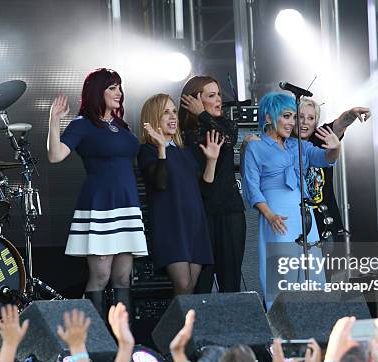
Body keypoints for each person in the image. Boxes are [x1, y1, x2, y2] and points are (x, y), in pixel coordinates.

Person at [47, 68, 147, 317]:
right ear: (97, 92)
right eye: (112, 88)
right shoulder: (83, 124)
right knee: (101, 275)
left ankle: (124, 343)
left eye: (119, 87)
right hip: (100, 206)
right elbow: (56, 155)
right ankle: (95, 344)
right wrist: (54, 120)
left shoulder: (122, 126)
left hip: (127, 204)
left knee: (124, 278)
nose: (119, 93)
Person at [241, 92, 340, 307]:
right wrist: (269, 215)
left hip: (303, 214)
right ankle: (280, 331)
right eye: (286, 116)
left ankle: (314, 328)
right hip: (277, 215)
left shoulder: (298, 145)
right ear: (269, 118)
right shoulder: (255, 146)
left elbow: (323, 158)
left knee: (311, 271)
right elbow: (251, 186)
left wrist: (335, 149)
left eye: (293, 117)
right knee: (282, 275)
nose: (292, 122)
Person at [138, 93, 222, 294]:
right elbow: (160, 182)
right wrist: (161, 149)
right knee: (183, 285)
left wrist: (211, 161)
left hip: (194, 224)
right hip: (171, 225)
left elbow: (204, 191)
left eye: (174, 111)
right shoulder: (147, 151)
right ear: (154, 117)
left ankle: (183, 326)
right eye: (165, 112)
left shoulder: (185, 151)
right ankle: (177, 326)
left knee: (190, 287)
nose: (173, 116)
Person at [179, 75, 246, 293]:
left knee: (231, 280)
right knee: (202, 282)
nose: (218, 99)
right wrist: (200, 116)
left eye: (218, 94)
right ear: (195, 101)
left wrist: (203, 114)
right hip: (202, 214)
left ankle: (233, 327)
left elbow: (228, 138)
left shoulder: (225, 125)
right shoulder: (186, 135)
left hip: (230, 211)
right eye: (211, 95)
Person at [297, 99, 371, 240]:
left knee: (332, 260)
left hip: (326, 220)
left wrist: (352, 113)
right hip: (299, 221)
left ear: (316, 123)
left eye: (311, 118)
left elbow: (341, 123)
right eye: (300, 117)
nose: (305, 122)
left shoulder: (321, 137)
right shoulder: (285, 144)